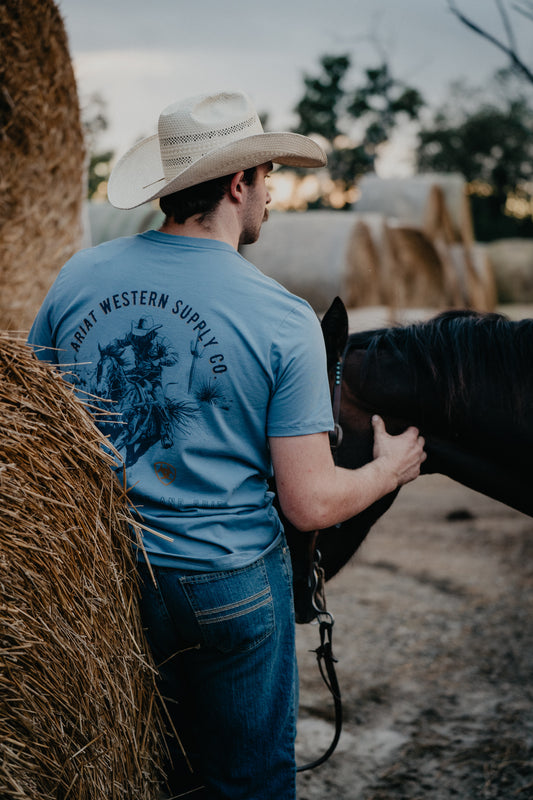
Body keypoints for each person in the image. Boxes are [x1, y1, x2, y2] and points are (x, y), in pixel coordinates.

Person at [28, 90, 426, 799]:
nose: (269, 196)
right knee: (244, 784)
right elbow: (307, 504)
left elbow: (36, 433)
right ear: (239, 184)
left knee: (145, 774)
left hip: (100, 575)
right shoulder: (281, 317)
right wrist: (386, 471)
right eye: (267, 177)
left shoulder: (77, 277)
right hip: (225, 582)